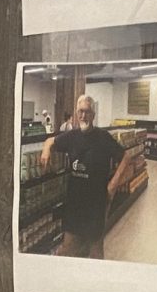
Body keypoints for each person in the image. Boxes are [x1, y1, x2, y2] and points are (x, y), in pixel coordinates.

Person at [40, 95, 134, 259]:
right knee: (68, 245)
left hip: (96, 202)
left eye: (87, 112)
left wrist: (114, 183)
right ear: (76, 113)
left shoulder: (103, 137)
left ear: (93, 115)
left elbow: (126, 157)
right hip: (74, 201)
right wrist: (46, 150)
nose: (84, 116)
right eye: (80, 112)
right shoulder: (71, 136)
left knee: (96, 247)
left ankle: (95, 280)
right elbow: (50, 141)